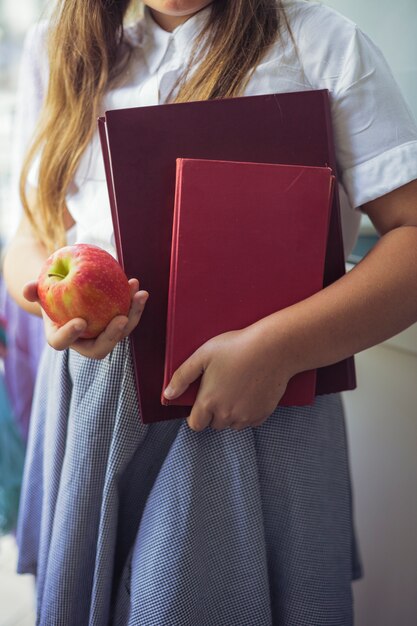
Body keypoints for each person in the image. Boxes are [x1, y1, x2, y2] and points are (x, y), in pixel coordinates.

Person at [3, 0, 417, 624]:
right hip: (92, 401)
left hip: (258, 407)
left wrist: (280, 348)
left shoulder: (322, 45)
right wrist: (48, 306)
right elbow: (31, 236)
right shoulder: (57, 46)